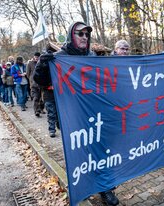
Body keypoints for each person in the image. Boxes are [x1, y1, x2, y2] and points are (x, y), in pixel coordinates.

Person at [34, 21, 119, 206]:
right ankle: (83, 187)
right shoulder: (59, 57)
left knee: (102, 152)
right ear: (72, 35)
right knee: (80, 155)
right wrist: (42, 64)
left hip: (95, 115)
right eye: (80, 34)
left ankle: (106, 189)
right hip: (72, 118)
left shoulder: (92, 56)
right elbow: (40, 81)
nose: (84, 37)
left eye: (87, 34)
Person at [26, 52, 44, 117]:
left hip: (41, 83)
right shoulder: (30, 63)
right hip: (34, 84)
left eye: (38, 57)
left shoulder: (42, 63)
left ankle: (41, 109)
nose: (37, 58)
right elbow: (28, 74)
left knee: (42, 98)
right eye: (36, 57)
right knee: (36, 98)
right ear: (34, 57)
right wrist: (31, 80)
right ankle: (36, 111)